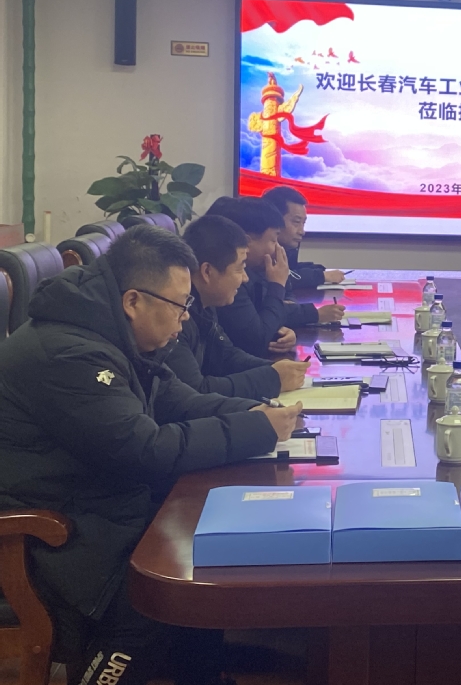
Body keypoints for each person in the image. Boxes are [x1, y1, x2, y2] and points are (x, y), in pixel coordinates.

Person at [0, 225, 300, 685]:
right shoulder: (70, 355)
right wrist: (254, 429)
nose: (185, 317)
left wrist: (257, 414)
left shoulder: (109, 334)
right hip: (56, 536)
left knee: (202, 535)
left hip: (101, 504)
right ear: (133, 301)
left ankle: (199, 670)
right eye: (179, 305)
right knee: (162, 576)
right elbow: (144, 449)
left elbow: (177, 400)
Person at [169, 214, 310, 399]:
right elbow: (196, 391)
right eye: (239, 268)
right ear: (207, 272)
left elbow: (226, 355)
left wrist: (276, 368)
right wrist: (272, 378)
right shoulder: (176, 317)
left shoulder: (205, 303)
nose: (245, 278)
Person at [211, 197, 345, 357]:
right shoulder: (231, 279)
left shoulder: (256, 268)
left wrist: (280, 328)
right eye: (273, 240)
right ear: (247, 242)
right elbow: (257, 339)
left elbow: (268, 315)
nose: (277, 248)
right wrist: (276, 286)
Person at [262, 185, 346, 288]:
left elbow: (291, 270)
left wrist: (318, 270)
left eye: (303, 223)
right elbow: (280, 278)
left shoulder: (286, 247)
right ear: (274, 219)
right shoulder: (259, 250)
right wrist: (321, 276)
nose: (302, 232)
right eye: (296, 222)